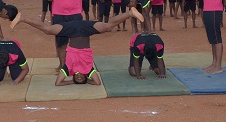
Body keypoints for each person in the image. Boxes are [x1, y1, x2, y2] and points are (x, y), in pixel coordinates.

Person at [10, 7, 144, 86]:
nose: (79, 78)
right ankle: (130, 13)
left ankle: (23, 18)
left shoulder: (68, 69)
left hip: (72, 30)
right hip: (85, 29)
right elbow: (97, 82)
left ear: (73, 77)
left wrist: (70, 82)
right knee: (108, 26)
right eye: (82, 79)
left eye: (77, 79)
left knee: (48, 30)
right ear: (86, 77)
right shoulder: (88, 69)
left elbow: (58, 83)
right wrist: (87, 80)